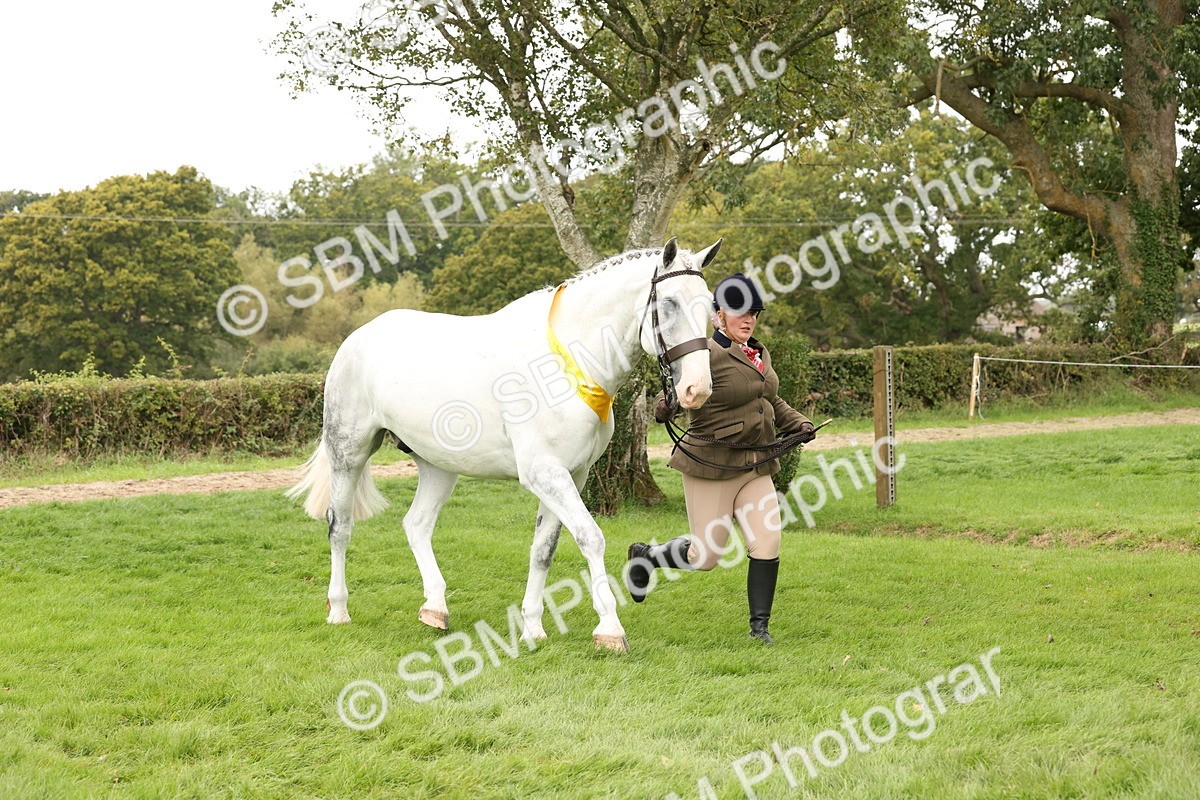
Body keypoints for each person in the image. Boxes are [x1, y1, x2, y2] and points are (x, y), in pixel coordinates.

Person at [625, 272, 817, 645]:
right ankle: (646, 557)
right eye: (739, 312)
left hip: (754, 466)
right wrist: (666, 408)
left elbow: (769, 400)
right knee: (705, 557)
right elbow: (681, 395)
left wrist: (800, 423)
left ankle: (759, 629)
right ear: (717, 316)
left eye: (755, 313)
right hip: (711, 466)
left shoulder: (759, 353)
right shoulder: (705, 355)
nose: (748, 320)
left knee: (768, 541)